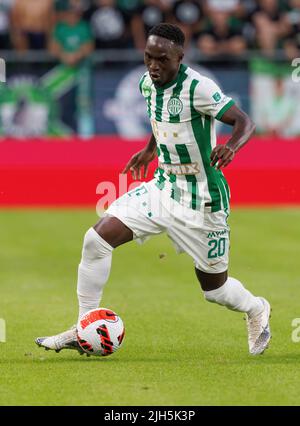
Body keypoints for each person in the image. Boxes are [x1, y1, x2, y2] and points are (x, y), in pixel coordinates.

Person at [36, 23, 271, 356]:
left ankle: (256, 308)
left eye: (162, 59)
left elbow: (245, 121)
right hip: (163, 187)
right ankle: (83, 326)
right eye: (148, 57)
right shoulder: (147, 83)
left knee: (214, 290)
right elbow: (159, 119)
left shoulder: (198, 87)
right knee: (96, 240)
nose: (153, 66)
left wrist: (231, 146)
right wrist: (150, 149)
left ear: (180, 57)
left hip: (202, 199)